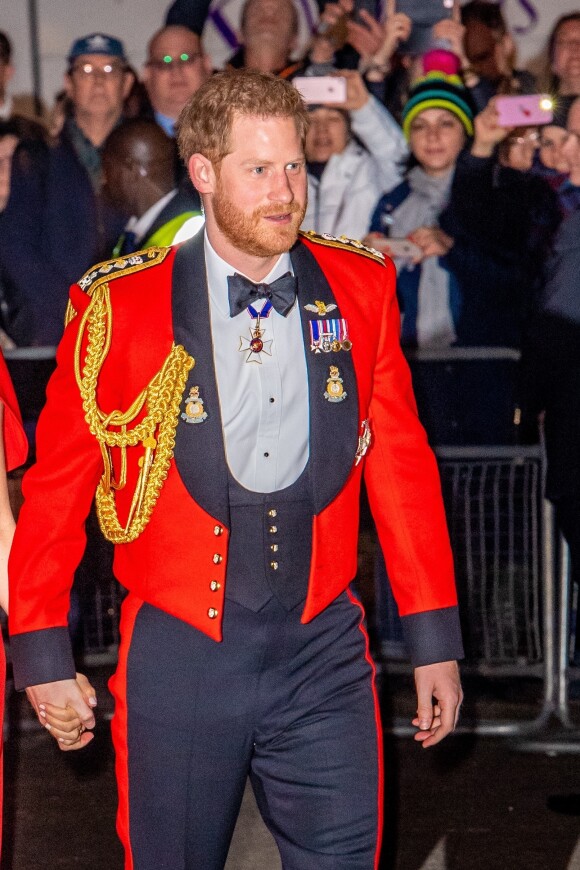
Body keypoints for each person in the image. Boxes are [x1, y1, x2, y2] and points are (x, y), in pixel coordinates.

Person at [8, 69, 463, 870]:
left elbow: (401, 466)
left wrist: (434, 639)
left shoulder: (360, 285)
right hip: (181, 656)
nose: (286, 191)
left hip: (324, 646)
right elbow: (57, 485)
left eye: (294, 167)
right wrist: (41, 650)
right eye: (259, 170)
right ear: (204, 174)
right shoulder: (119, 305)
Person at [0, 33, 133, 346]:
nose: (98, 81)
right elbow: (15, 245)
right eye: (86, 70)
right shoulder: (34, 157)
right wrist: (75, 312)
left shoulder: (148, 156)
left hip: (134, 332)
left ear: (127, 84)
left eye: (109, 70)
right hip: (54, 334)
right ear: (69, 83)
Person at [365, 50, 473, 348]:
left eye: (446, 124)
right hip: (405, 353)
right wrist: (367, 260)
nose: (432, 136)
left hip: (473, 356)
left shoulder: (486, 195)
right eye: (420, 125)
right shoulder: (393, 200)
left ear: (466, 132)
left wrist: (450, 249)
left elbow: (508, 279)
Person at [303, 68, 406, 238]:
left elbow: (399, 161)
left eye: (333, 119)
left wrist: (363, 107)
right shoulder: (286, 180)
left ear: (348, 128)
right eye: (311, 120)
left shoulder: (369, 171)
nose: (322, 129)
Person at [101, 118, 203, 256]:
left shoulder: (190, 232)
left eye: (108, 168)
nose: (104, 179)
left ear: (133, 171)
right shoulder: (128, 237)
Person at [142, 25, 211, 138]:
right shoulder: (127, 140)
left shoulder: (238, 129)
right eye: (164, 62)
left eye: (186, 58)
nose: (176, 70)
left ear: (207, 65)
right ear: (147, 75)